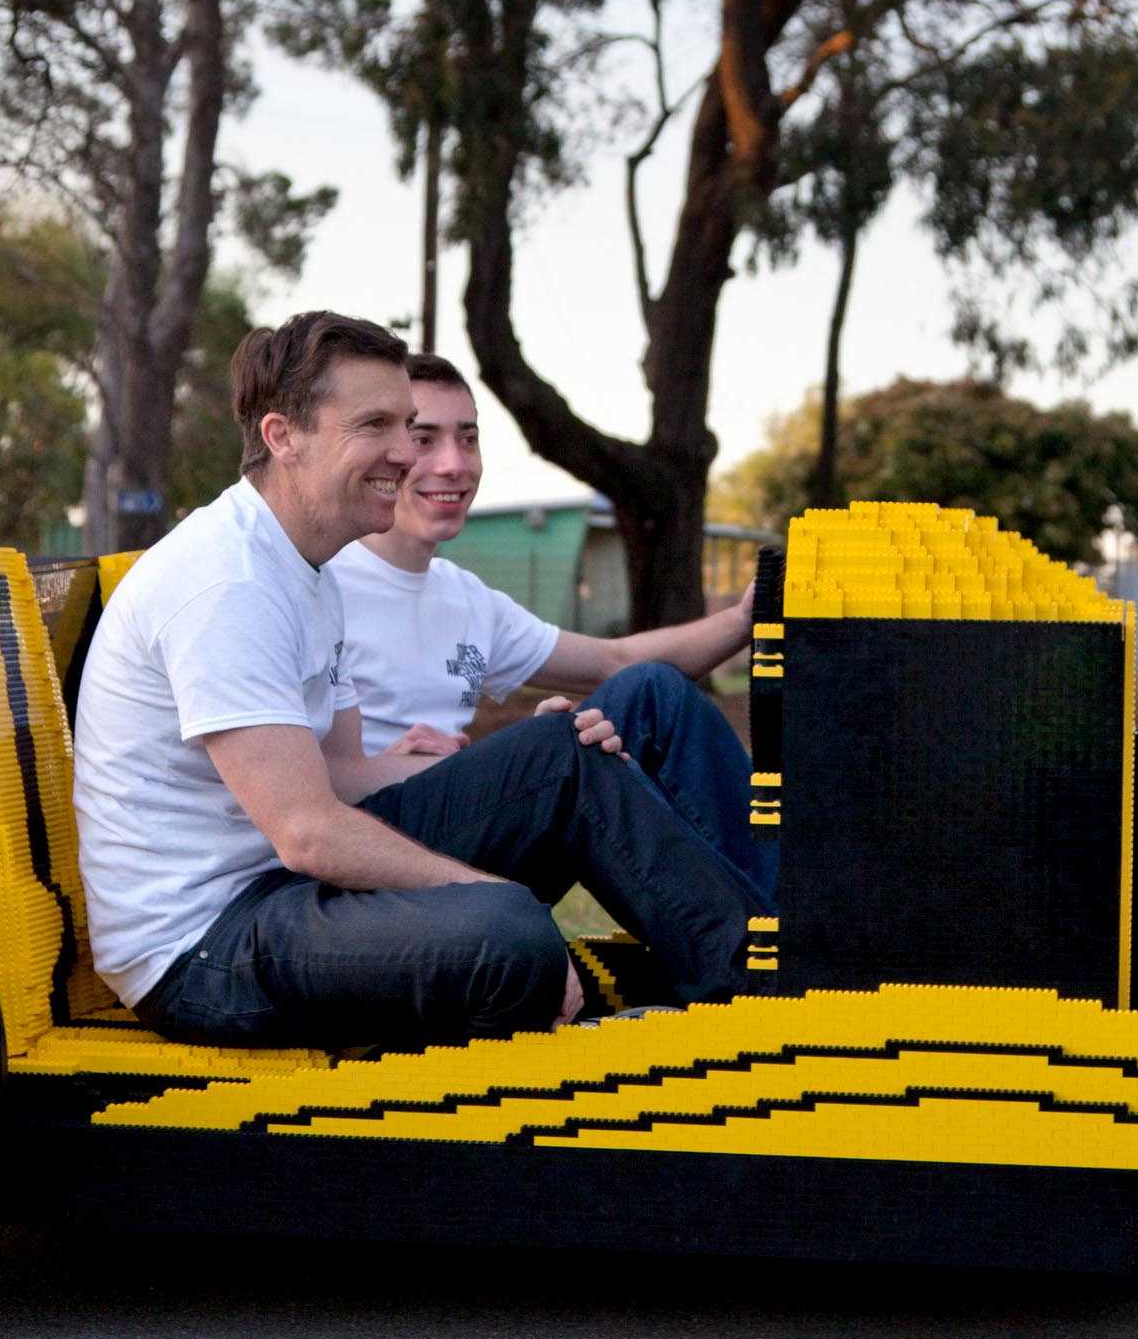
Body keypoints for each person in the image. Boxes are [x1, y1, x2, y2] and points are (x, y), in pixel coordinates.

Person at [70, 310, 762, 1051]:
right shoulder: (227, 582)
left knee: (564, 752)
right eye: (377, 426)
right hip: (203, 950)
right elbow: (307, 833)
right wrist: (484, 887)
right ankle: (734, 998)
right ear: (283, 437)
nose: (406, 453)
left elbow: (339, 771)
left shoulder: (309, 566)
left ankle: (759, 976)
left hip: (285, 892)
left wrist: (503, 768)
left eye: (409, 425)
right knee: (508, 930)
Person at [328, 354, 775, 901]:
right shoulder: (321, 585)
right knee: (563, 743)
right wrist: (385, 767)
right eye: (425, 439)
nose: (453, 464)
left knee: (652, 694)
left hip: (470, 832)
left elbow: (616, 662)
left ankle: (786, 911)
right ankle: (756, 947)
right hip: (375, 856)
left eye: (468, 439)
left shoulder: (466, 598)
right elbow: (280, 789)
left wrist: (742, 619)